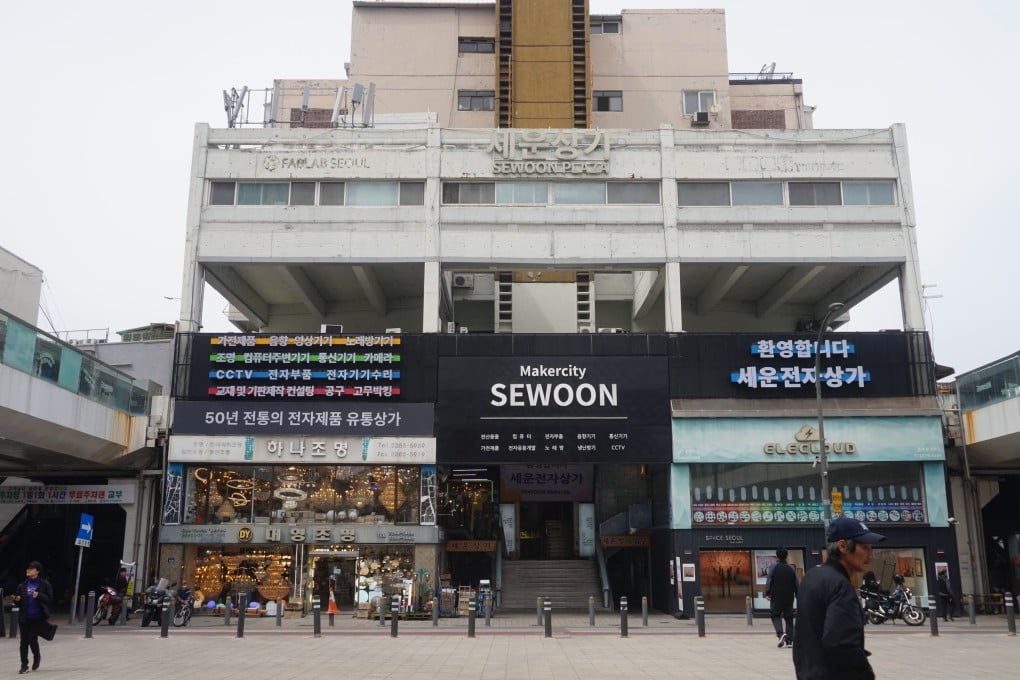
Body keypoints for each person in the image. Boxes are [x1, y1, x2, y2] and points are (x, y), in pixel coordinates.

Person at [792, 517, 885, 680]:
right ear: (843, 546)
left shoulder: (812, 576)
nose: (871, 556)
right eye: (865, 548)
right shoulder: (840, 585)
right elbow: (841, 643)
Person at [12, 561, 53, 674]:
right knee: (23, 642)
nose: (28, 570)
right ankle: (24, 665)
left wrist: (39, 595)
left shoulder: (44, 584)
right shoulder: (22, 585)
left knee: (32, 640)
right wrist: (17, 600)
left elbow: (50, 599)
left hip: (37, 618)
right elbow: (18, 603)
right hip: (24, 617)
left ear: (37, 571)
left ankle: (37, 656)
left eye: (31, 568)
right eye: (27, 568)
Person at [765, 547, 798, 648]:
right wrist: (798, 595)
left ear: (777, 556)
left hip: (777, 595)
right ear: (786, 555)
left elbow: (769, 580)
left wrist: (768, 592)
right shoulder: (791, 568)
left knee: (775, 615)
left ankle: (781, 634)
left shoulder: (773, 567)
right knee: (789, 617)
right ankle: (790, 641)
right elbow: (796, 583)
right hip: (789, 596)